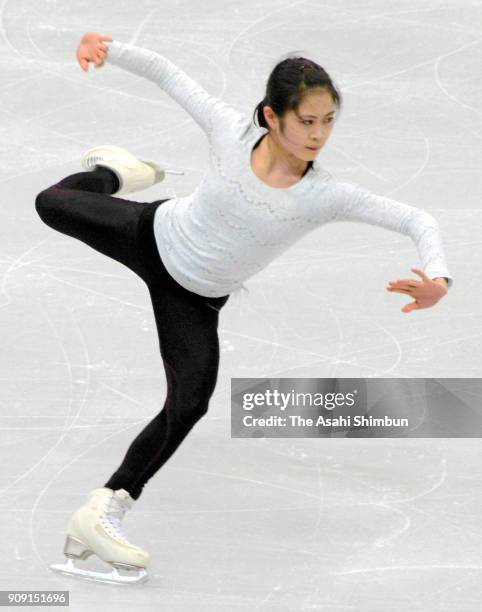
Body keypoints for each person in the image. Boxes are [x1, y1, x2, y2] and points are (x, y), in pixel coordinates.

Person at [40, 31, 453, 584]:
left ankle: (104, 509)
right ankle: (116, 174)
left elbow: (416, 220)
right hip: (150, 233)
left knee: (190, 403)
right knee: (50, 203)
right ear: (271, 116)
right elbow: (168, 73)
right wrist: (108, 49)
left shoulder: (324, 196)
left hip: (194, 298)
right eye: (306, 120)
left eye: (328, 121)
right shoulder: (230, 133)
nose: (318, 134)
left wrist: (439, 276)